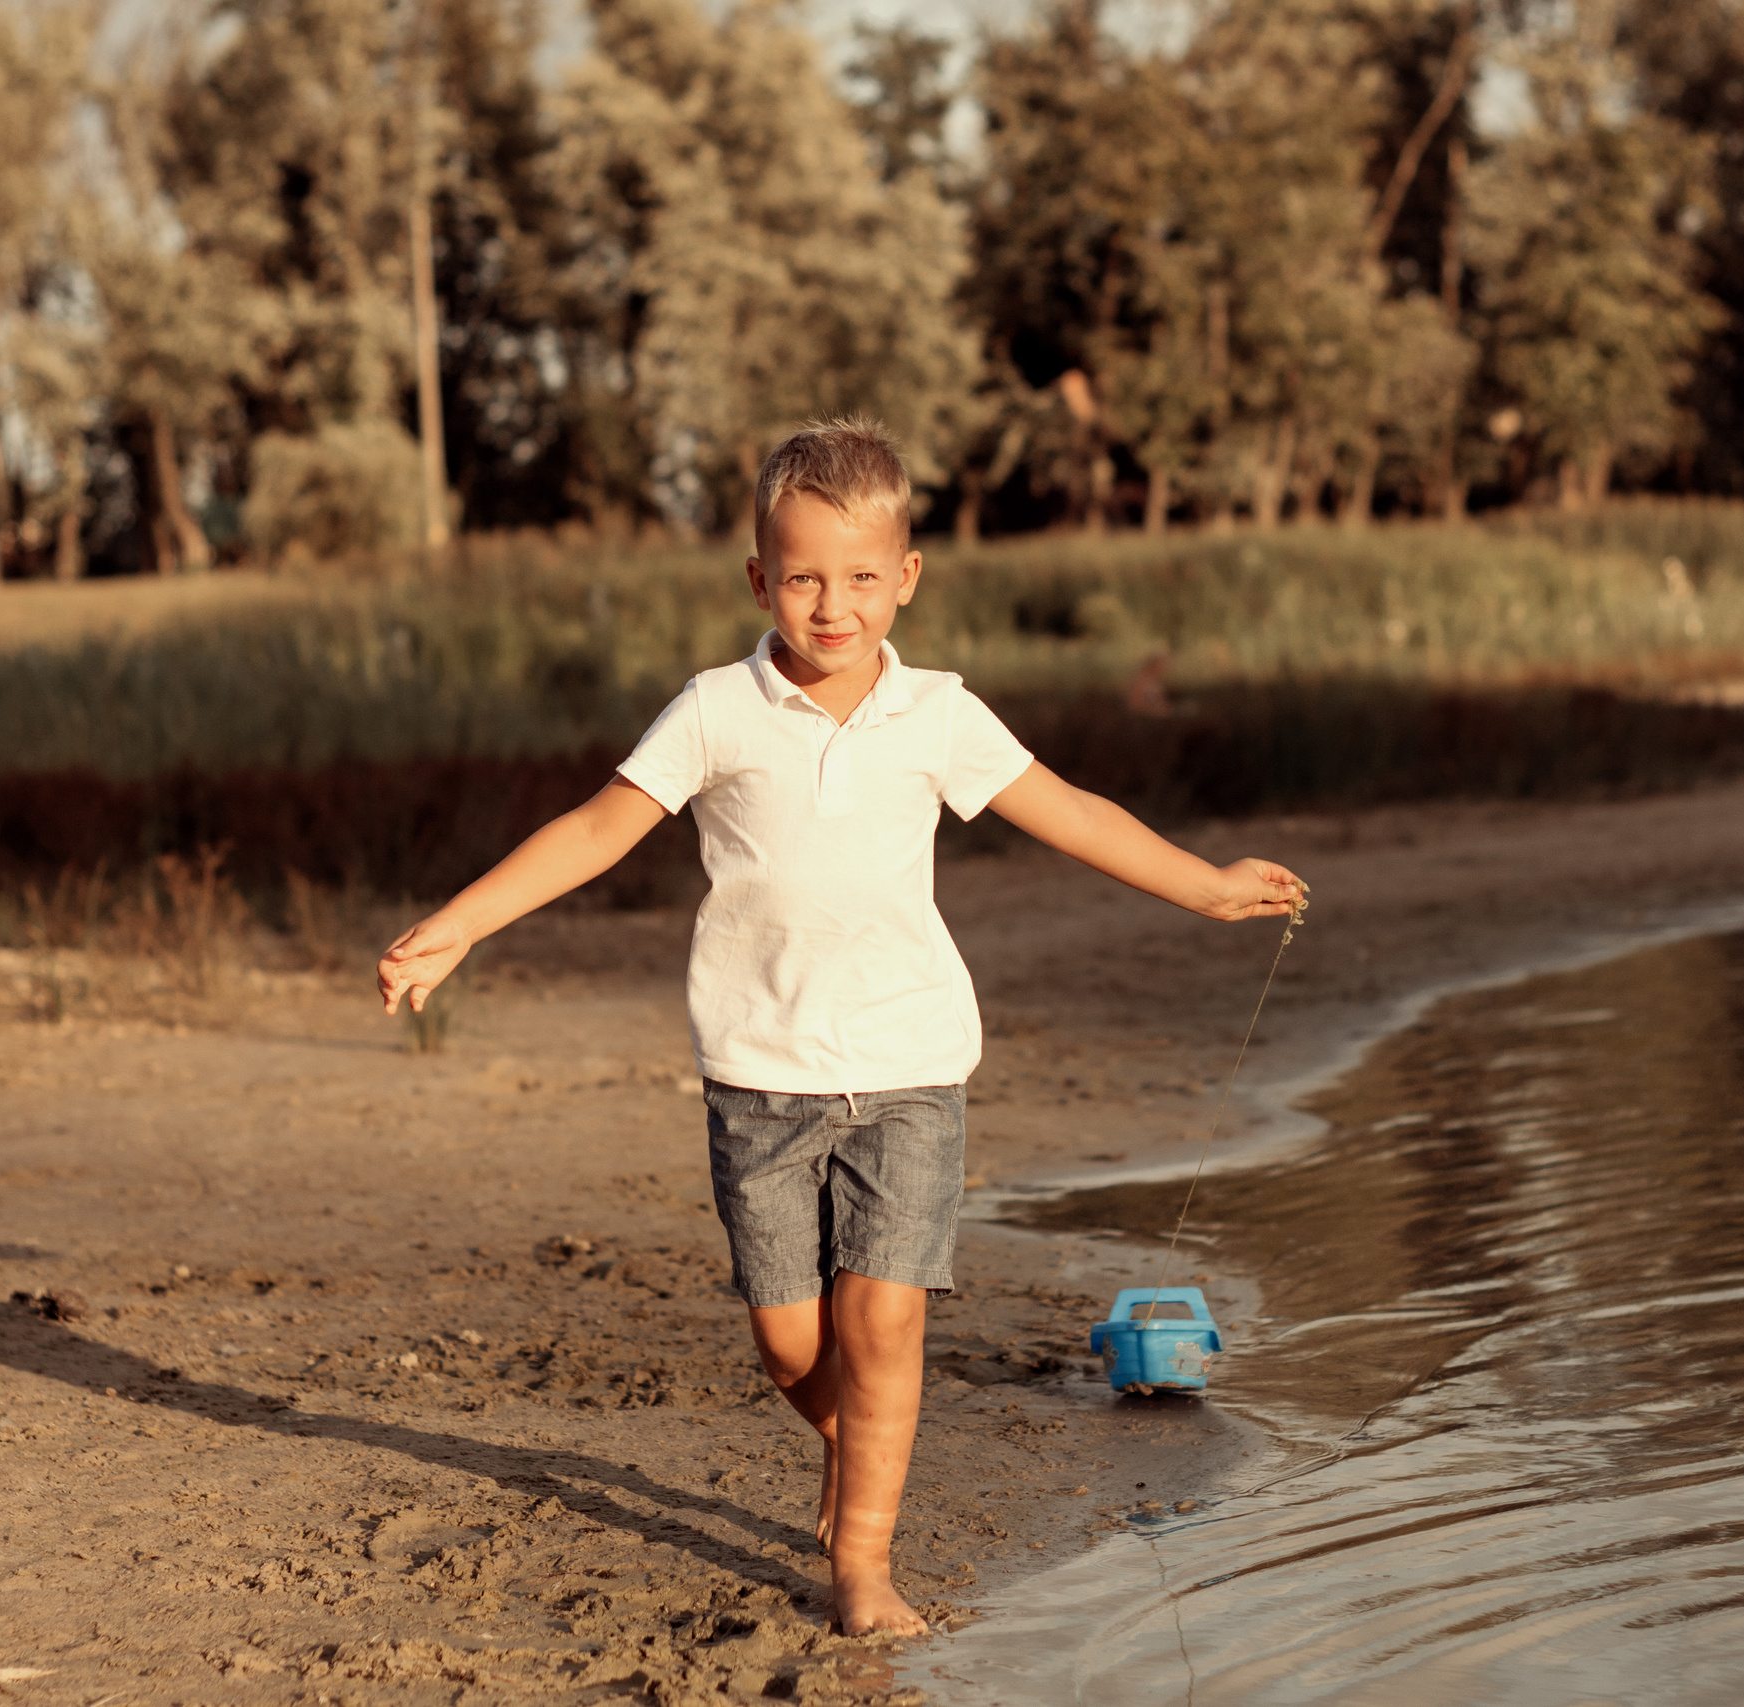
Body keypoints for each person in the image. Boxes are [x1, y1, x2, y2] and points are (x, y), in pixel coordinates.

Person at [375, 417, 1305, 1636]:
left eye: (862, 577)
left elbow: (1067, 809)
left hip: (912, 1068)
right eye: (804, 576)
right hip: (759, 1076)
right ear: (760, 577)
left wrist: (1203, 883)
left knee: (885, 1323)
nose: (833, 605)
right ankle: (856, 1442)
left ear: (905, 578)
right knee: (787, 1345)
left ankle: (862, 1562)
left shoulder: (939, 713)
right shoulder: (715, 710)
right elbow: (598, 826)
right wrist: (458, 924)